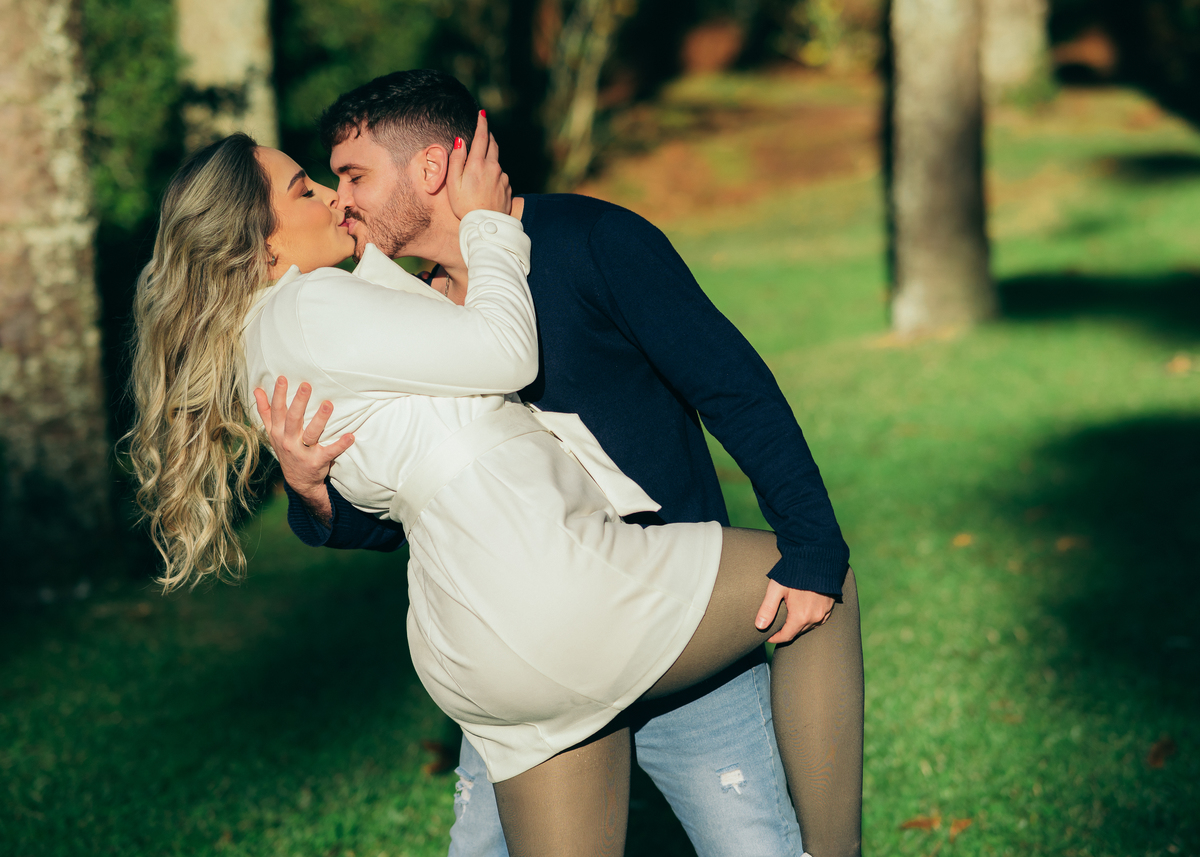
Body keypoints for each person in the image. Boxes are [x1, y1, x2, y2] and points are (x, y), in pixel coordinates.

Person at [264, 70, 863, 857]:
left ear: (432, 169)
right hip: (533, 645)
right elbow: (416, 506)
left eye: (354, 176)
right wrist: (312, 492)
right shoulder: (406, 312)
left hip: (680, 613)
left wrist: (812, 547)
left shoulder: (593, 242)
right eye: (330, 182)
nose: (341, 201)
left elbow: (734, 389)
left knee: (754, 845)